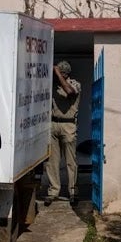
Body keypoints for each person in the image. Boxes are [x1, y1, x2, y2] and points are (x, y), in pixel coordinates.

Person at [45, 61, 82, 206]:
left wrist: (57, 74)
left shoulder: (74, 84)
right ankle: (53, 191)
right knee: (52, 161)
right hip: (53, 123)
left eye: (60, 73)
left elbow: (69, 92)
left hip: (68, 124)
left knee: (70, 161)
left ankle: (73, 191)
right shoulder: (52, 85)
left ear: (65, 73)